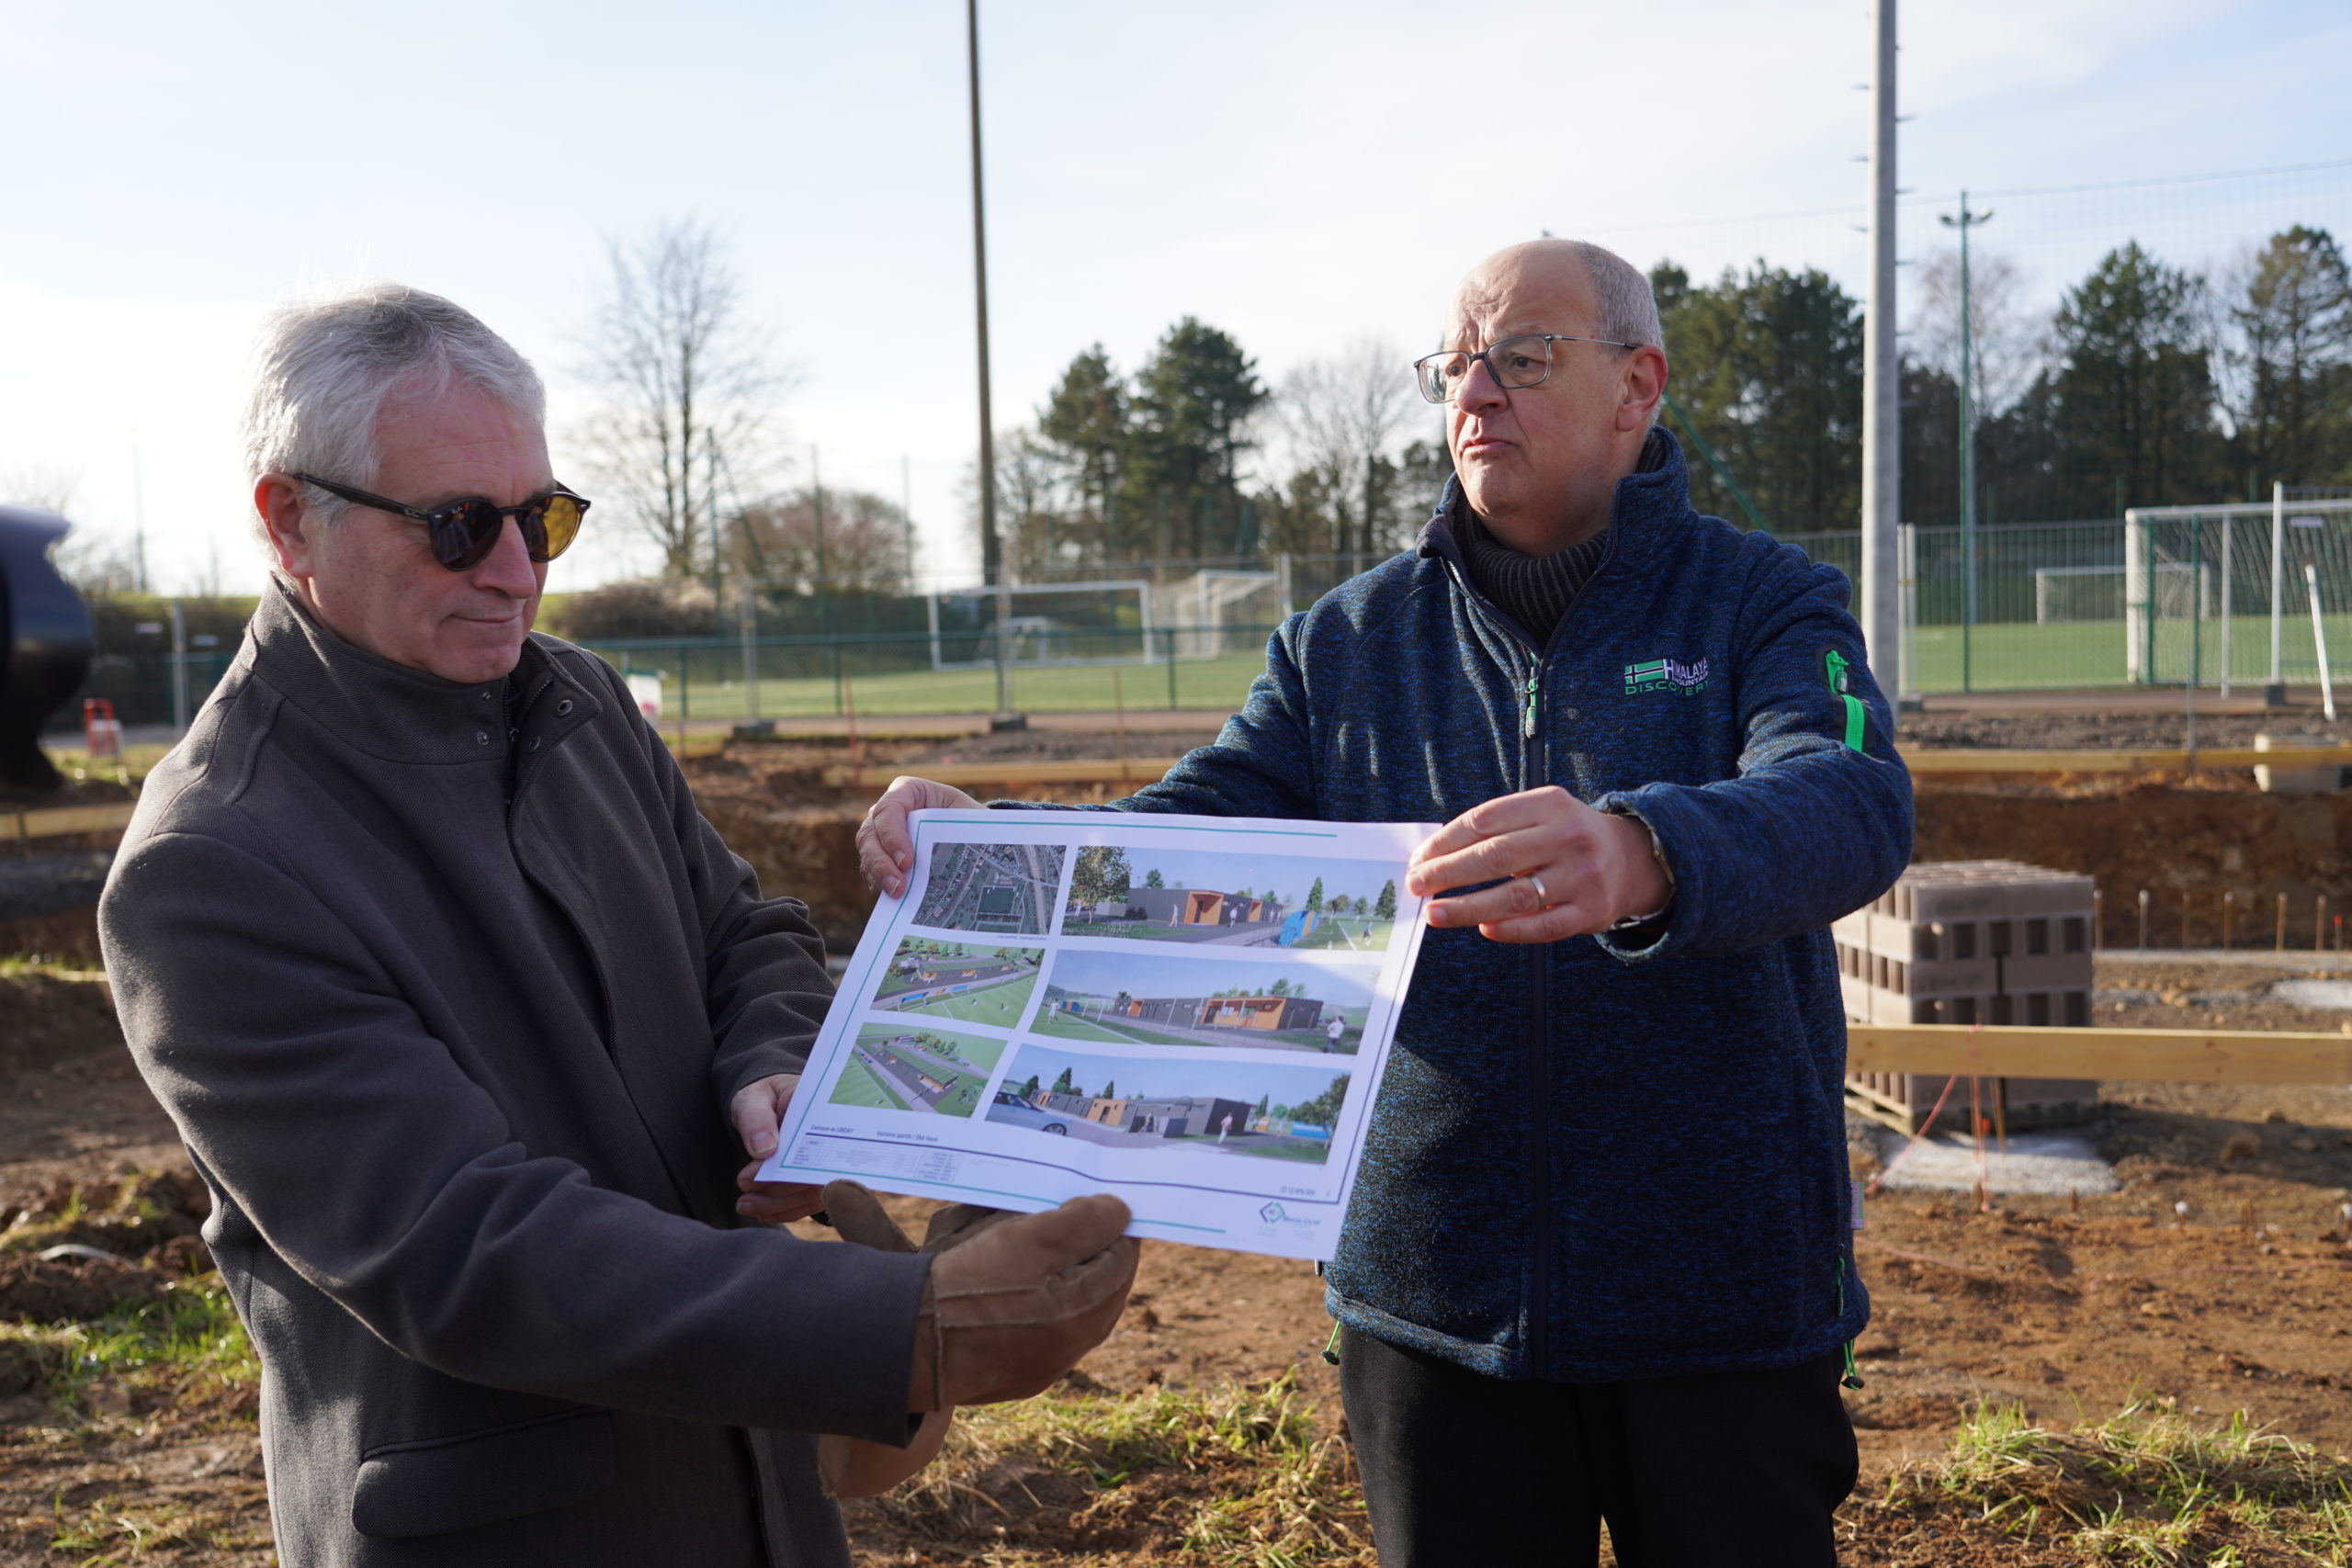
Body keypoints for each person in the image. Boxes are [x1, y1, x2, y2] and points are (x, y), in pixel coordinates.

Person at [858, 239, 1912, 1566]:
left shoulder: (1767, 600)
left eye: (1523, 357)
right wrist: (992, 840)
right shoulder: (1348, 643)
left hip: (1720, 1312)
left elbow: (1851, 800)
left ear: (1638, 385)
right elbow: (1198, 826)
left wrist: (1646, 850)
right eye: (1457, 365)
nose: (1477, 392)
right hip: (1430, 1312)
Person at [99, 284, 1138, 1568]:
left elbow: (745, 933)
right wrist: (896, 1327)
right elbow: (466, 1247)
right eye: (458, 526)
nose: (519, 570)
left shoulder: (578, 707)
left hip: (762, 1484)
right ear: (286, 518)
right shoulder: (215, 864)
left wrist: (768, 1063)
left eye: (544, 518)